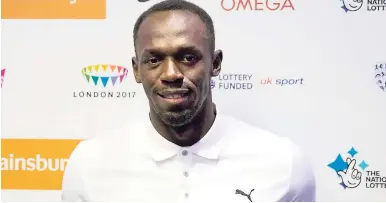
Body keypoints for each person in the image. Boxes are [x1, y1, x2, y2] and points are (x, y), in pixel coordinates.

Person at [61, 0, 316, 202]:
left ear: (215, 64)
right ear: (136, 69)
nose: (171, 74)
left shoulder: (284, 162)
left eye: (188, 57)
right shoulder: (89, 164)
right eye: (154, 60)